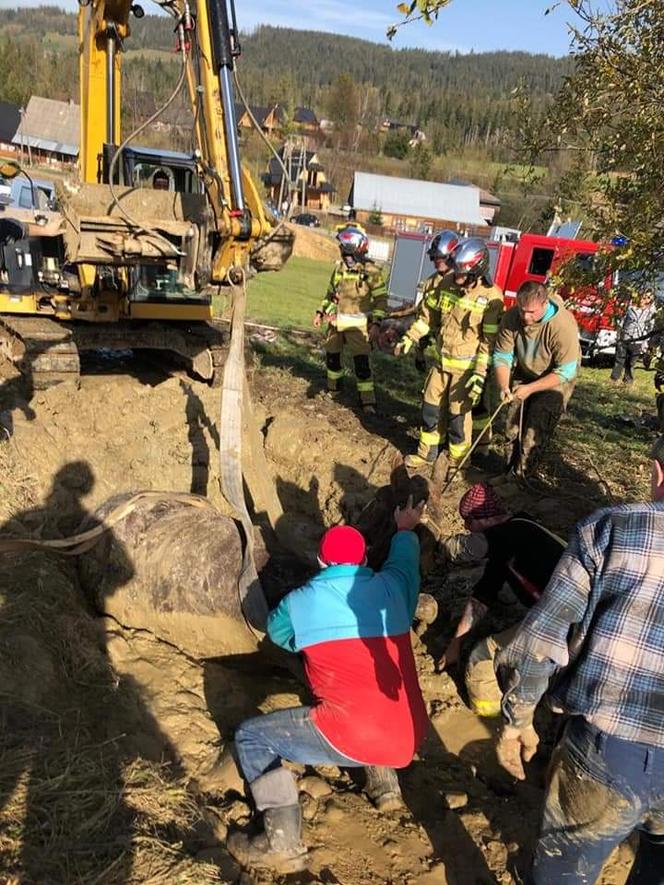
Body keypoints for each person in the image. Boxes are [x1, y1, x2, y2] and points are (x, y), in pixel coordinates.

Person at [494, 436, 664, 885]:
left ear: (658, 472)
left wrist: (517, 719)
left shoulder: (611, 529)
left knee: (563, 870)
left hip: (609, 751)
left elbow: (540, 643)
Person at [228, 502, 428, 873]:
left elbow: (279, 635)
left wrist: (314, 645)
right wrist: (405, 529)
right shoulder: (393, 587)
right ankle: (386, 787)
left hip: (354, 732)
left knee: (252, 738)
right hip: (410, 733)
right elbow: (404, 561)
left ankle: (281, 843)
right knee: (364, 692)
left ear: (319, 562)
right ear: (365, 559)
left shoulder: (302, 601)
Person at [438, 482, 566, 717]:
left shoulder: (509, 533)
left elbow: (467, 548)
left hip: (563, 622)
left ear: (485, 519)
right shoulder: (519, 537)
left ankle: (489, 718)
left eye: (470, 522)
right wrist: (455, 644)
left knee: (481, 660)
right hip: (567, 616)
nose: (468, 528)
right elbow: (481, 599)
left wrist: (440, 542)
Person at [396, 238, 504, 476]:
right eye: (454, 270)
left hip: (466, 370)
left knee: (458, 417)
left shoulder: (491, 297)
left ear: (477, 271)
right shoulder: (446, 283)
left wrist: (479, 374)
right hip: (441, 362)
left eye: (461, 273)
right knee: (430, 408)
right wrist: (410, 338)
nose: (456, 276)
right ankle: (426, 454)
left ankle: (457, 462)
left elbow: (488, 342)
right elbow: (427, 318)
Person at [493, 280, 580, 477]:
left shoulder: (562, 325)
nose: (525, 316)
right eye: (522, 310)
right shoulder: (512, 317)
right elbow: (502, 356)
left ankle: (522, 478)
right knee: (512, 426)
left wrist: (531, 389)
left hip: (556, 377)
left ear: (544, 304)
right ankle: (507, 473)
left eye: (531, 312)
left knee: (534, 430)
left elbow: (565, 371)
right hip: (525, 370)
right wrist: (504, 386)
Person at [313, 224, 387, 414]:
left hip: (358, 327)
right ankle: (334, 390)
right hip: (336, 324)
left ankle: (368, 401)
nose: (347, 260)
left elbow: (381, 301)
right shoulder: (339, 270)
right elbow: (330, 294)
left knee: (362, 365)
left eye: (350, 256)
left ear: (359, 252)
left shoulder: (372, 272)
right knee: (332, 360)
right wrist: (321, 312)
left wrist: (376, 323)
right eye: (344, 256)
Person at [394, 229, 461, 373]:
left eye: (440, 257)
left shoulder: (461, 281)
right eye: (434, 257)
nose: (436, 262)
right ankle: (421, 357)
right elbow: (425, 313)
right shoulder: (431, 282)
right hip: (435, 330)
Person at [611, 289, 656, 385]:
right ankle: (614, 379)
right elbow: (621, 322)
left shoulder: (650, 313)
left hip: (637, 341)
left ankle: (628, 381)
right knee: (619, 360)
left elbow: (649, 329)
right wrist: (619, 335)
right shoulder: (630, 308)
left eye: (648, 298)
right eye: (644, 296)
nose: (645, 299)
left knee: (631, 363)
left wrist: (645, 342)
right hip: (625, 338)